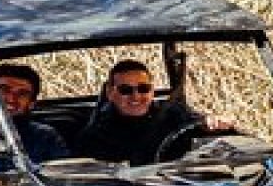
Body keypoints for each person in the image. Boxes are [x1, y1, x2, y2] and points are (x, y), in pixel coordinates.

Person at [75, 59, 219, 167]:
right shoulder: (94, 136)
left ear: (152, 91)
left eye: (143, 88)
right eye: (126, 90)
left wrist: (214, 124)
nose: (136, 96)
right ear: (110, 93)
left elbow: (202, 124)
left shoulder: (173, 114)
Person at [0, 63, 71, 164]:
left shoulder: (45, 137)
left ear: (31, 104)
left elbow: (62, 174)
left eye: (22, 94)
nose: (11, 99)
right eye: (4, 90)